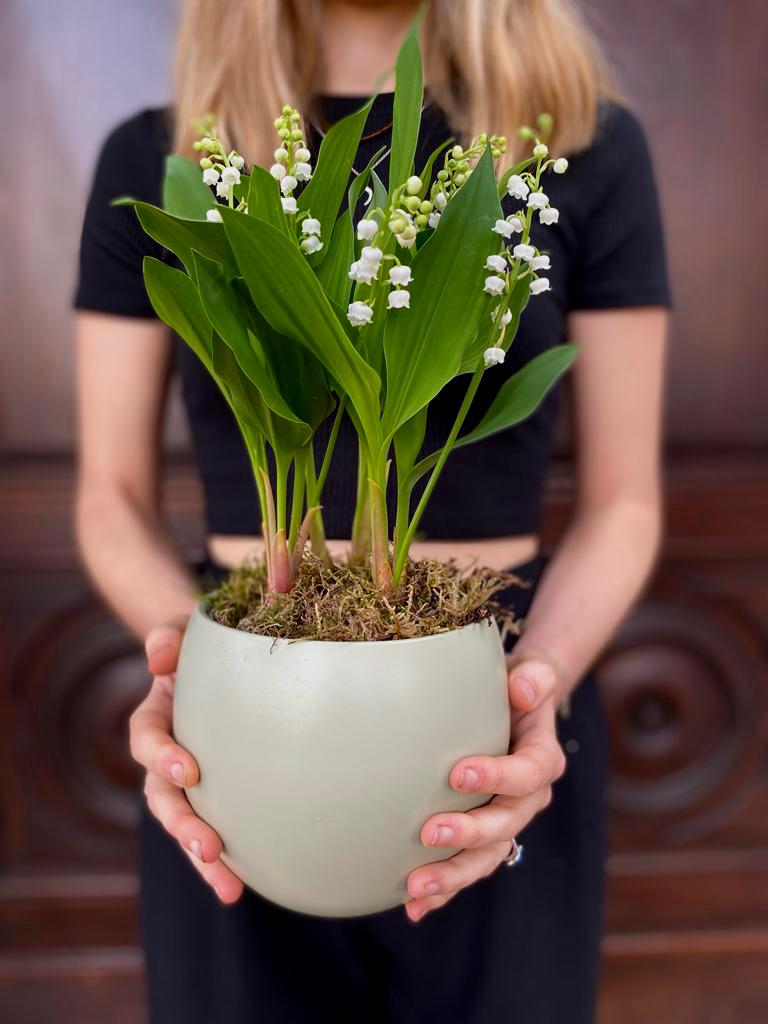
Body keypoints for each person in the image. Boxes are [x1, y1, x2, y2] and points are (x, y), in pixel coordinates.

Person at [73, 0, 670, 1020]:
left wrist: (537, 687)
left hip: (499, 706)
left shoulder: (579, 147)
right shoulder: (171, 160)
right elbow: (110, 497)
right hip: (242, 703)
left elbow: (624, 502)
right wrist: (190, 668)